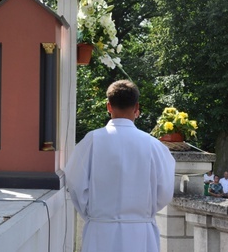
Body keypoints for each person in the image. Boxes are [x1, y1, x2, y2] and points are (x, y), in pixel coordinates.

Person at [65, 80, 175, 252]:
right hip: (140, 234)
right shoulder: (154, 146)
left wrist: (95, 215)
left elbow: (75, 185)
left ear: (109, 106)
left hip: (100, 232)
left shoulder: (92, 141)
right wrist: (141, 213)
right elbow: (165, 192)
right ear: (136, 107)